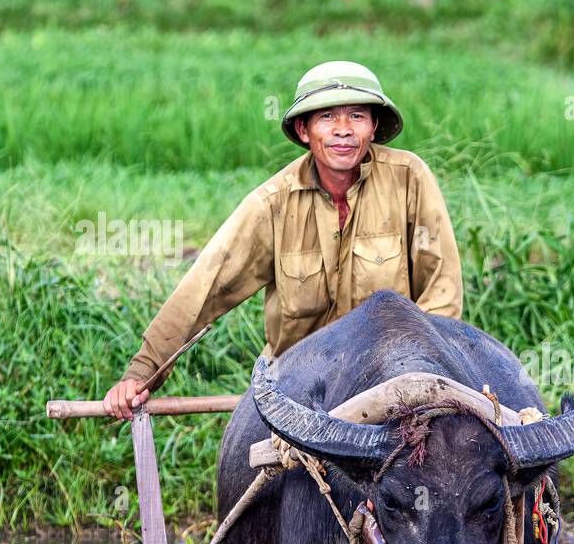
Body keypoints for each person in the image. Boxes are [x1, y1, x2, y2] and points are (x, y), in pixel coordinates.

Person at [104, 61, 463, 418]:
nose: (343, 131)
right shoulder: (272, 203)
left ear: (373, 127)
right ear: (304, 130)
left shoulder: (408, 179)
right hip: (301, 388)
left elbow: (442, 287)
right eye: (327, 118)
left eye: (356, 116)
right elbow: (205, 288)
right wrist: (141, 374)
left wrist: (416, 370)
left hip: (390, 384)